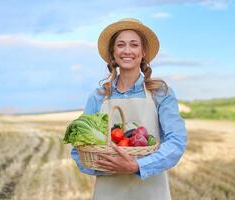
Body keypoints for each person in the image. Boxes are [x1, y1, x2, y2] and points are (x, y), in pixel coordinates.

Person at [71, 18, 187, 200]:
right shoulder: (98, 96)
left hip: (151, 190)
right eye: (120, 45)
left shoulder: (161, 93)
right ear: (113, 54)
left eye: (134, 45)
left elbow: (176, 142)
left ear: (143, 52)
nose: (127, 51)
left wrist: (137, 166)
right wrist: (108, 165)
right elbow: (78, 147)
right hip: (108, 192)